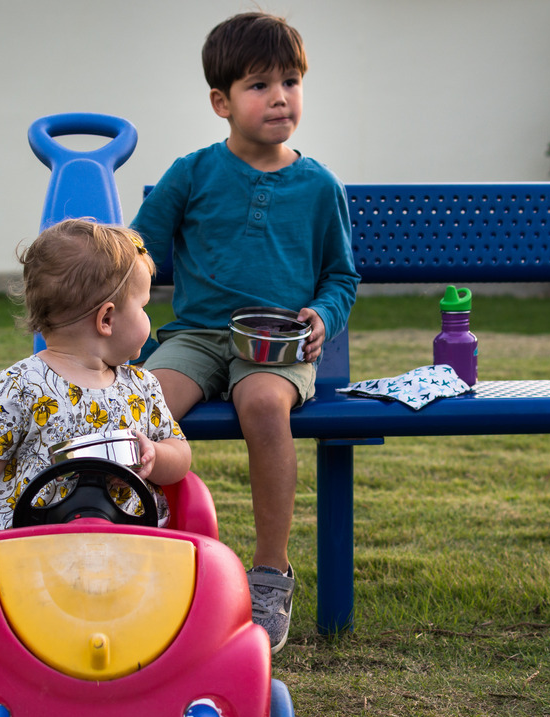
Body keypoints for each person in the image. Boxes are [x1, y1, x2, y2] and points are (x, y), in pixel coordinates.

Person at [131, 11, 359, 652]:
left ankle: (270, 574)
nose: (280, 97)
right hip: (198, 336)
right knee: (141, 403)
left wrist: (323, 314)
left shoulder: (319, 186)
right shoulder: (193, 172)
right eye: (259, 85)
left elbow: (341, 276)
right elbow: (137, 248)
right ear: (221, 102)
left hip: (276, 343)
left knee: (262, 403)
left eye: (290, 82)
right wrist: (109, 294)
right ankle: (140, 554)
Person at [0, 219, 191, 548]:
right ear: (107, 319)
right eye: (143, 306)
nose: (148, 316)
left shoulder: (142, 387)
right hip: (29, 550)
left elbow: (180, 453)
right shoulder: (23, 385)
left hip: (130, 544)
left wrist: (154, 455)